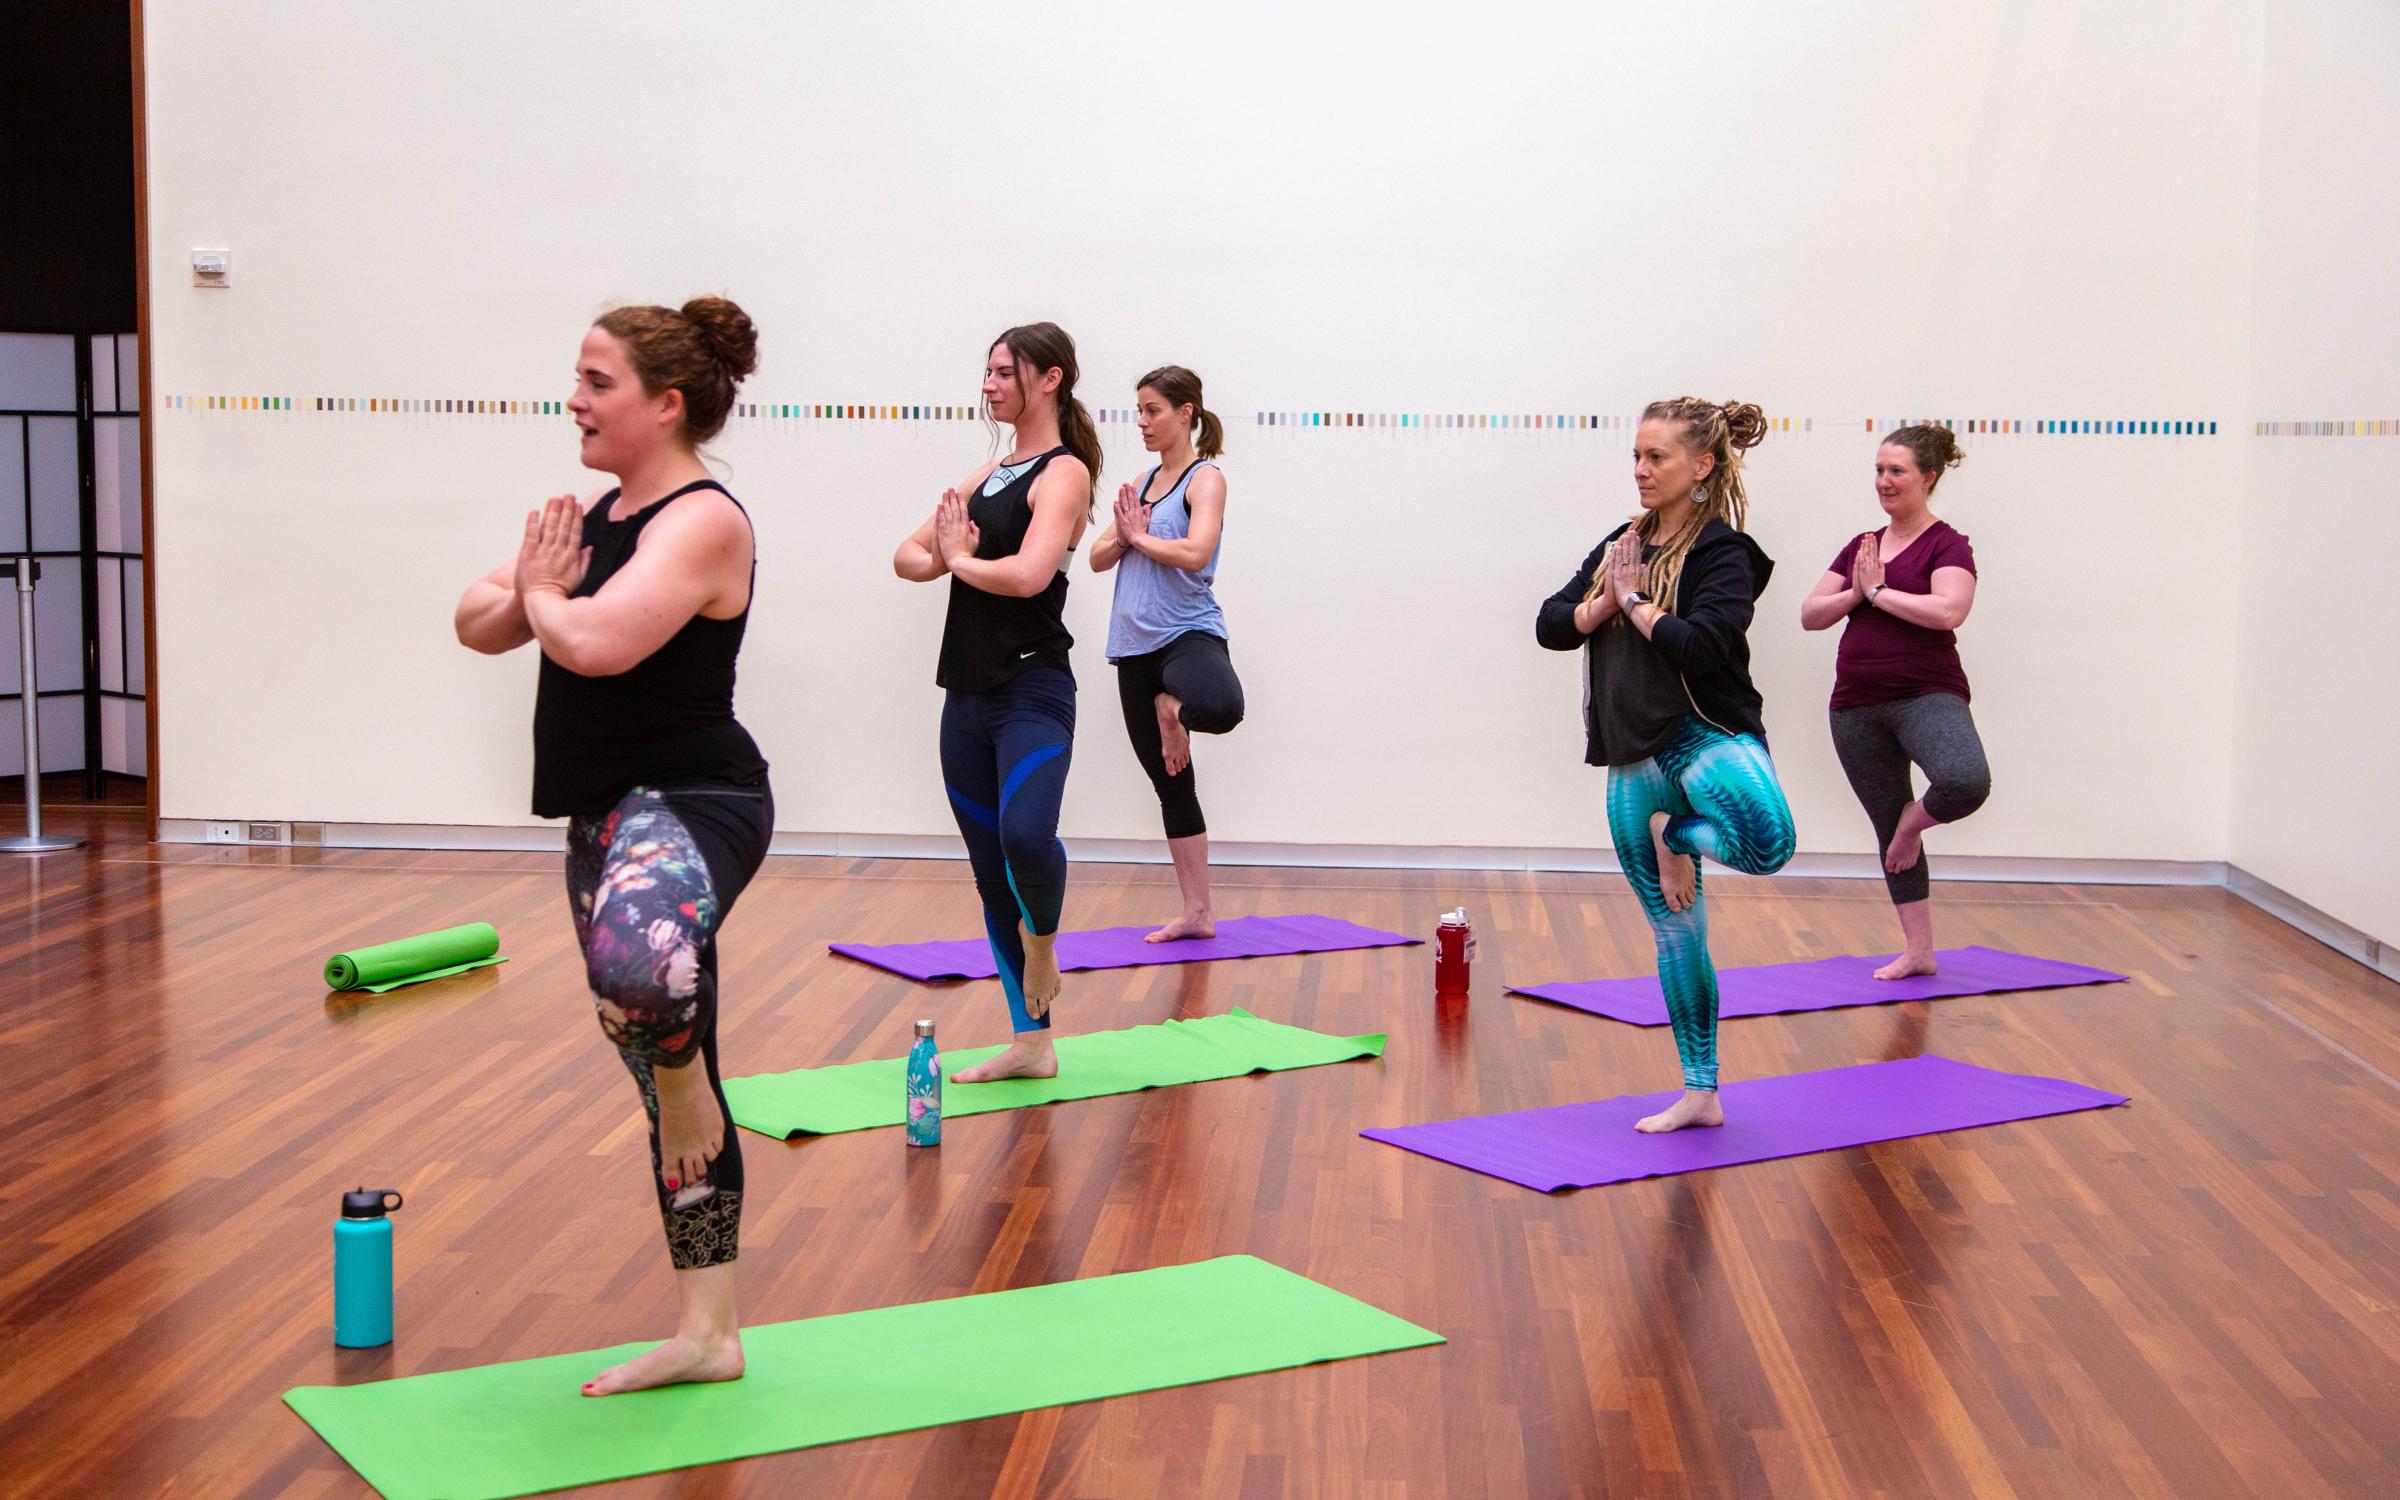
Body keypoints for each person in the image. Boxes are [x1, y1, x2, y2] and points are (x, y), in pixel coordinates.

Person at [453, 297, 771, 1394]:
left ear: (666, 403)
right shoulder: (595, 517)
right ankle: (709, 1334)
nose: (574, 400)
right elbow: (475, 617)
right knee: (659, 1055)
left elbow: (586, 641)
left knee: (647, 983)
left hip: (690, 798)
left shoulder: (703, 520)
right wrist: (536, 587)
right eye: (577, 378)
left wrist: (543, 591)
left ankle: (684, 1080)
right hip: (601, 815)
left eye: (597, 382)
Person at [1535, 397, 1797, 1132]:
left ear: (1702, 466)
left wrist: (1635, 603)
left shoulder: (1724, 554)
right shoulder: (1620, 542)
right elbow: (1550, 623)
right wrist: (1601, 605)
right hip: (1632, 755)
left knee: (1769, 843)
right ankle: (1701, 1091)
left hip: (1702, 736)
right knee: (1679, 931)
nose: (1643, 471)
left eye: (1659, 457)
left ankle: (1674, 834)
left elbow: (1704, 645)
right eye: (1638, 457)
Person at [892, 322, 1096, 1083]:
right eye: (986, 372)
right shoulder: (988, 472)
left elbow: (1031, 575)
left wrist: (959, 559)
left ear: (1050, 379)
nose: (989, 385)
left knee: (1025, 836)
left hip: (1032, 690)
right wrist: (950, 557)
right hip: (966, 699)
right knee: (988, 872)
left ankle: (1043, 942)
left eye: (1004, 372)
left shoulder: (1063, 473)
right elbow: (906, 555)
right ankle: (1031, 1043)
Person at [1800, 424, 1989, 979]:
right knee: (1886, 823)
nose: (1884, 481)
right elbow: (1811, 615)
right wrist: (1858, 590)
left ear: (1927, 477)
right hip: (1855, 704)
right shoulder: (1863, 546)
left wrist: (1879, 593)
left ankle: (1913, 824)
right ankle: (1919, 951)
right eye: (1880, 470)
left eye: (1897, 471)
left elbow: (1949, 610)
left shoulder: (1947, 544)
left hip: (1925, 694)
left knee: (1964, 779)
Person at [1090, 365, 1243, 941]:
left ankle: (1172, 708)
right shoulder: (1142, 481)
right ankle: (1198, 912)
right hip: (1133, 648)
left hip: (1186, 634)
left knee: (1222, 707)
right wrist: (1124, 536)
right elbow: (1098, 559)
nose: (1143, 422)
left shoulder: (1205, 480)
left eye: (1153, 410)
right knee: (1172, 783)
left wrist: (1136, 537)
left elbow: (1198, 552)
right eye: (1139, 412)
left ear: (1186, 413)